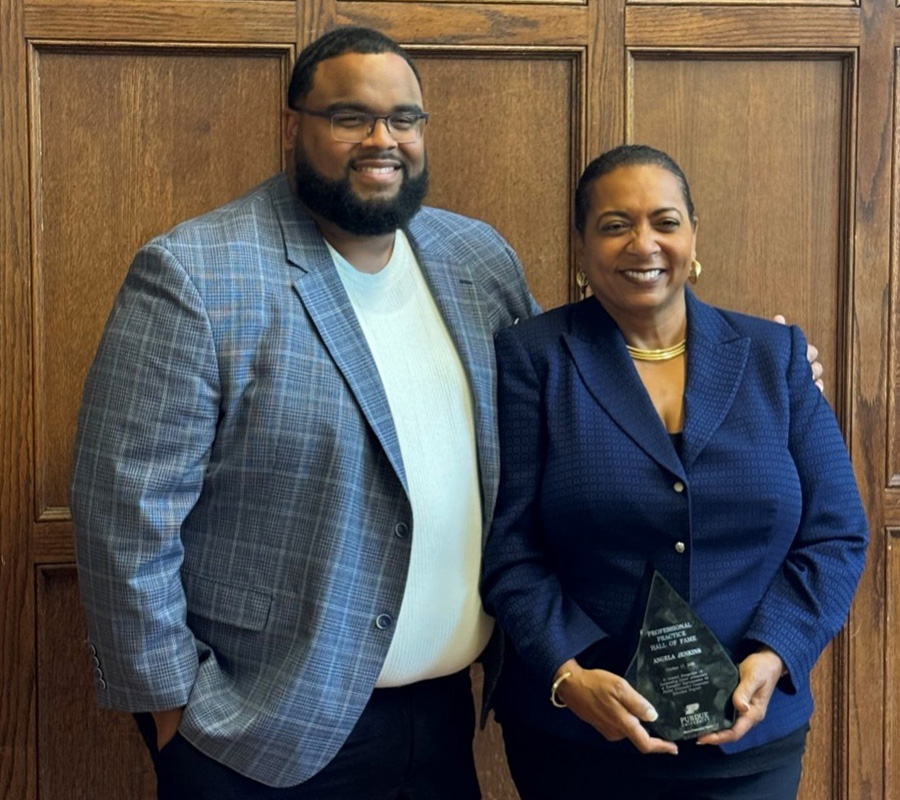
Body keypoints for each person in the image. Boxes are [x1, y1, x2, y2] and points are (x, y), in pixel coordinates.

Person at [71, 26, 539, 799]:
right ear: (293, 128)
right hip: (259, 740)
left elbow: (569, 394)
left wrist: (751, 365)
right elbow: (124, 514)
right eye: (351, 116)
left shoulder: (477, 259)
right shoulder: (196, 274)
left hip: (447, 725)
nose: (382, 140)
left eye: (404, 119)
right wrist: (173, 717)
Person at [481, 144, 867, 800]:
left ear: (693, 235)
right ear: (581, 245)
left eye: (665, 221)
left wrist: (774, 654)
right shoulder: (534, 359)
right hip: (580, 737)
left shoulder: (774, 356)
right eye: (614, 225)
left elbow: (837, 534)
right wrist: (569, 676)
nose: (644, 243)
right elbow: (510, 547)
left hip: (747, 734)